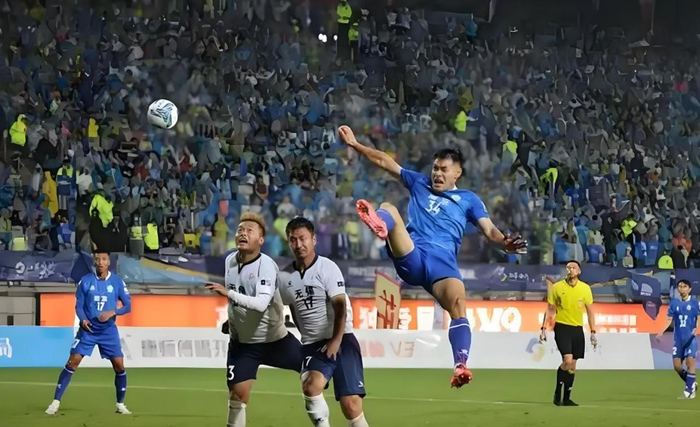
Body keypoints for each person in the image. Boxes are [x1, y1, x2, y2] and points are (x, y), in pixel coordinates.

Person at [338, 125, 526, 387]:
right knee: (389, 207)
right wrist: (356, 145)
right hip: (413, 254)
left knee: (458, 305)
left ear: (457, 173)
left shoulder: (468, 200)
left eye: (443, 169)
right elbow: (384, 161)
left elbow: (490, 230)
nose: (437, 173)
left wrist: (504, 243)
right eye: (435, 168)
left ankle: (460, 365)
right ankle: (381, 225)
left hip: (443, 266)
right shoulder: (419, 182)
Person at [205, 212, 302, 427]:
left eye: (250, 230)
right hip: (243, 344)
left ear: (261, 240)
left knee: (314, 375)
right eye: (240, 230)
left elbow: (260, 303)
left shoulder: (266, 265)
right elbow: (239, 295)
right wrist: (232, 320)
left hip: (275, 340)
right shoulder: (230, 260)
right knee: (237, 395)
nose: (243, 233)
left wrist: (228, 293)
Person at [278, 217, 369, 427]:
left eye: (303, 238)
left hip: (342, 339)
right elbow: (289, 306)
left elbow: (340, 307)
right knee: (310, 386)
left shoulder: (328, 267)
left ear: (314, 239)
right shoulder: (284, 277)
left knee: (351, 406)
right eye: (293, 239)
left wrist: (335, 342)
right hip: (313, 344)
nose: (298, 244)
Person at [45, 251, 132, 415]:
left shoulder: (117, 282)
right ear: (94, 262)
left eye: (104, 259)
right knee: (72, 363)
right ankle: (55, 402)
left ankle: (120, 404)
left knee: (119, 366)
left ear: (109, 262)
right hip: (88, 331)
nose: (100, 262)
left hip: (108, 332)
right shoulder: (85, 281)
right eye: (97, 259)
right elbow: (79, 306)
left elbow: (128, 306)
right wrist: (83, 320)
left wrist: (113, 312)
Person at [540, 261, 597, 406]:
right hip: (562, 327)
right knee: (567, 360)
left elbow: (590, 311)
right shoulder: (558, 287)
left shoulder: (585, 288)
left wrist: (593, 331)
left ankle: (566, 398)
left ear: (579, 271)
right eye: (568, 268)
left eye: (573, 267)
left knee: (573, 366)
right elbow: (550, 308)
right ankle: (557, 391)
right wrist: (543, 328)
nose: (570, 269)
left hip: (577, 328)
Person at [654, 280, 699, 398]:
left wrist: (696, 329)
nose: (681, 288)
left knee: (690, 361)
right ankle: (691, 383)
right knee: (677, 366)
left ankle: (689, 390)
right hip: (678, 339)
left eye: (684, 286)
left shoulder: (695, 303)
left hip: (690, 338)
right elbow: (669, 319)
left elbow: (699, 318)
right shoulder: (674, 303)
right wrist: (660, 332)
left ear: (689, 289)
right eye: (679, 286)